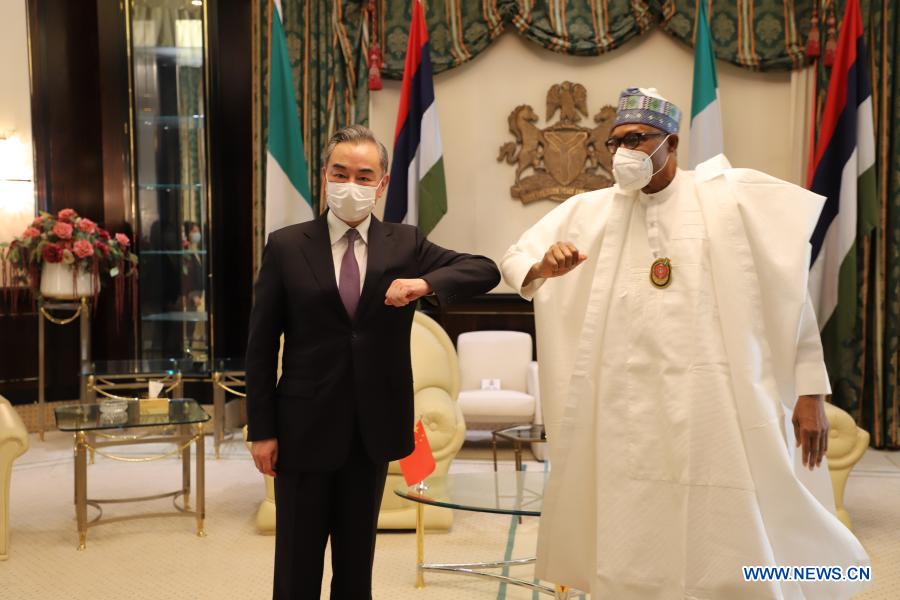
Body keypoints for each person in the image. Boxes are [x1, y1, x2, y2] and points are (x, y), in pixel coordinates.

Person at [500, 88, 870, 599]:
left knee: (731, 519)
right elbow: (515, 258)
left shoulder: (726, 198)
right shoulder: (590, 210)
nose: (623, 151)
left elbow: (788, 293)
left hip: (713, 404)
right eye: (616, 142)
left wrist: (811, 391)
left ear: (671, 142)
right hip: (625, 412)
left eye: (636, 139)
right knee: (629, 522)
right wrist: (542, 266)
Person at [245, 124, 500, 599]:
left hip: (371, 431)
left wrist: (424, 284)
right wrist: (261, 430)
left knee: (356, 565)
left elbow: (484, 270)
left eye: (364, 176)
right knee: (296, 566)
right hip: (302, 427)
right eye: (340, 173)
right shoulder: (286, 245)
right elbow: (260, 346)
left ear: (381, 185)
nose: (351, 185)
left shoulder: (404, 243)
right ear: (324, 176)